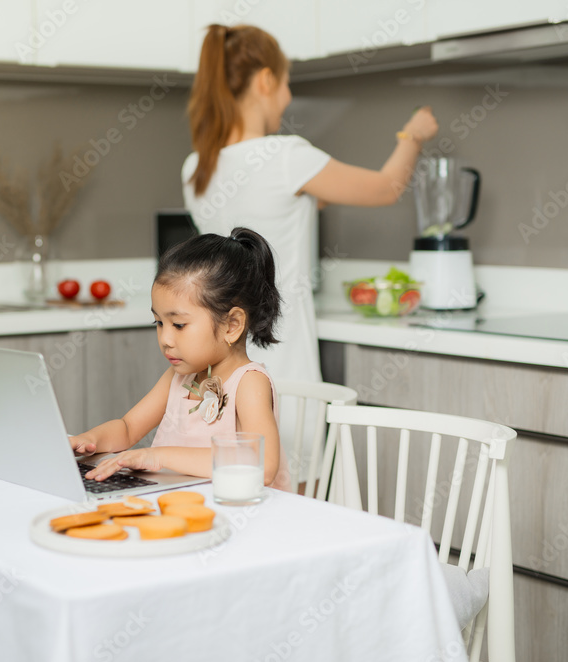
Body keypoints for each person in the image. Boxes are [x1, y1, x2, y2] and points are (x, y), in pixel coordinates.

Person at [182, 24, 439, 389]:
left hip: (224, 373)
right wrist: (413, 134)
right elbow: (387, 188)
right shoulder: (285, 156)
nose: (287, 96)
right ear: (266, 81)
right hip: (283, 372)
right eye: (287, 83)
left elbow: (272, 210)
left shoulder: (196, 168)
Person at [69, 227, 288, 490]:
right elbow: (127, 428)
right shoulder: (178, 377)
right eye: (159, 322)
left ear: (232, 325)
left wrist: (158, 456)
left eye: (179, 325)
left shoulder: (249, 383)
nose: (165, 339)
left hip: (240, 513)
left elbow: (261, 465)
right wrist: (87, 439)